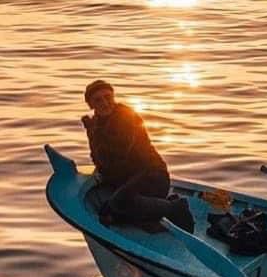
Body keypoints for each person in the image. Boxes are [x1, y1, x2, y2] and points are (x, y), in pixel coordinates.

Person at [81, 79, 194, 231]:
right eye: (98, 100)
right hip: (128, 179)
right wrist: (92, 133)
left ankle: (175, 208)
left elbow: (116, 157)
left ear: (113, 96)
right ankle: (148, 215)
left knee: (117, 205)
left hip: (152, 176)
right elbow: (99, 160)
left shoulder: (125, 117)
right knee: (107, 213)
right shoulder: (97, 123)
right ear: (91, 105)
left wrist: (94, 132)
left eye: (108, 97)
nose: (105, 103)